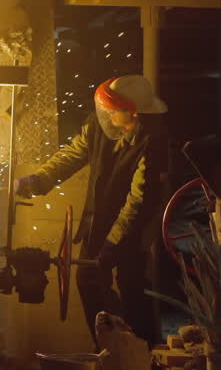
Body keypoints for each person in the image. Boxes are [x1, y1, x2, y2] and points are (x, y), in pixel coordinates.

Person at [13, 75, 168, 349]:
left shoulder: (152, 144)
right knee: (88, 279)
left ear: (130, 112)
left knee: (132, 284)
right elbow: (73, 154)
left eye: (111, 111)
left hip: (136, 225)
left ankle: (145, 354)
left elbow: (139, 201)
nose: (105, 115)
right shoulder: (100, 127)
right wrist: (39, 181)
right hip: (100, 219)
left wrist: (114, 242)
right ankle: (109, 350)